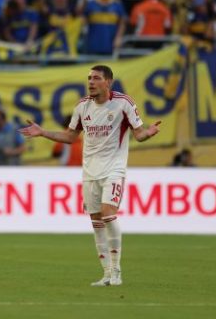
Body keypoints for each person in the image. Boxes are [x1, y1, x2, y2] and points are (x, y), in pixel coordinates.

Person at [19, 65, 161, 287]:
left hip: (114, 168)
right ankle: (106, 274)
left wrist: (148, 133)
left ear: (109, 82)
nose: (91, 82)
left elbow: (139, 133)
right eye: (89, 78)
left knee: (108, 214)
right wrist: (43, 132)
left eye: (96, 78)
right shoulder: (82, 107)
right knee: (96, 221)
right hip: (90, 172)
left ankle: (116, 271)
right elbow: (69, 136)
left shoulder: (124, 103)